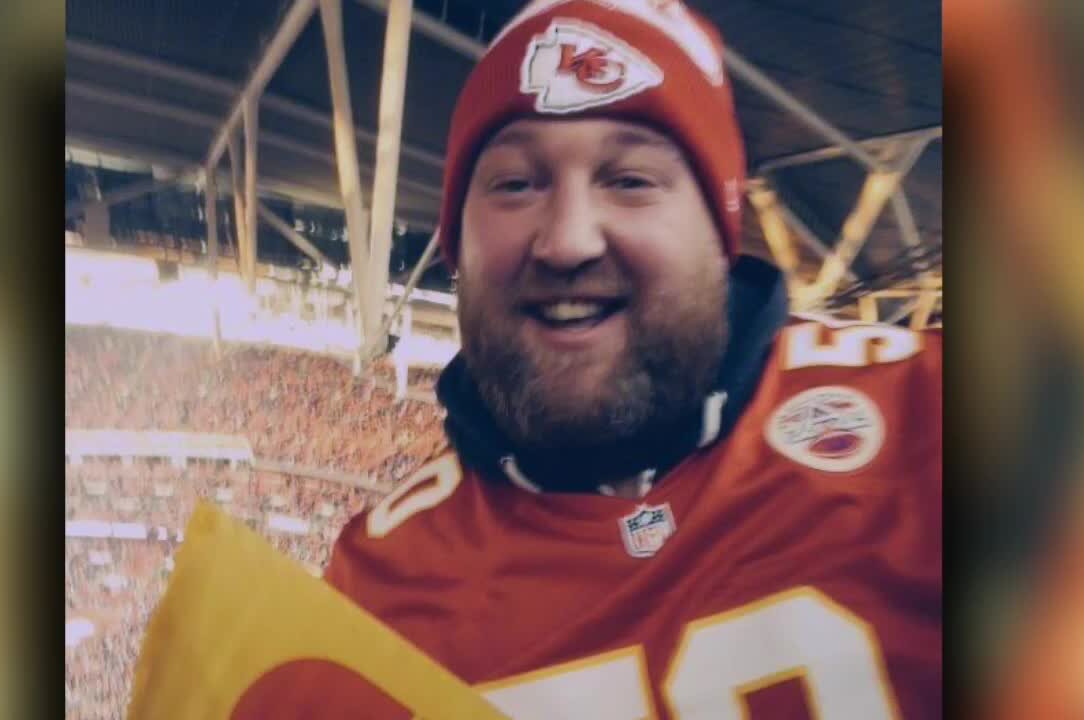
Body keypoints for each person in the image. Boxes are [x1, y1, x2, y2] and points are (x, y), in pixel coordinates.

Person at [232, 0, 941, 716]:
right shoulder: (378, 587)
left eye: (629, 179)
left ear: (719, 230)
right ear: (458, 245)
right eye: (516, 184)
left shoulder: (934, 417)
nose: (568, 240)